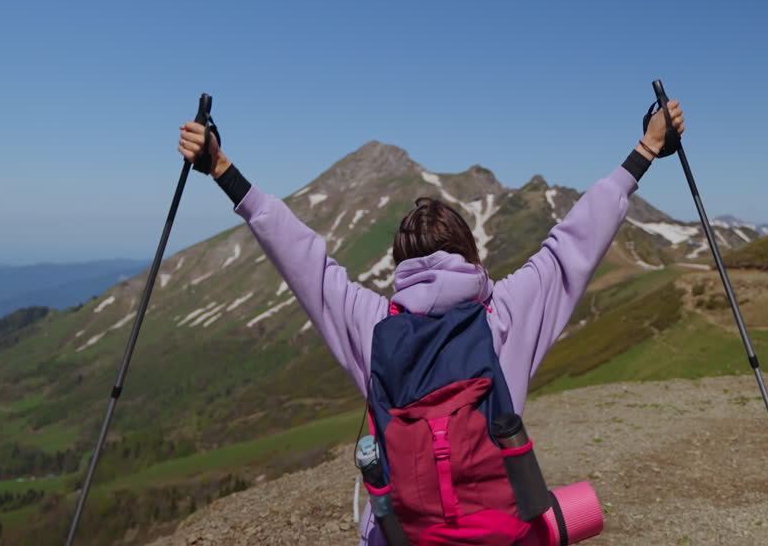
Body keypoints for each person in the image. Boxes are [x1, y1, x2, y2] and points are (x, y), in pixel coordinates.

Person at [177, 96, 685, 544]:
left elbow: (303, 259)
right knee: (559, 515)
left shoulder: (372, 323)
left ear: (402, 265)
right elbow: (576, 240)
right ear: (468, 253)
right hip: (503, 534)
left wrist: (221, 166)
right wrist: (646, 148)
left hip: (409, 536)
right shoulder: (506, 312)